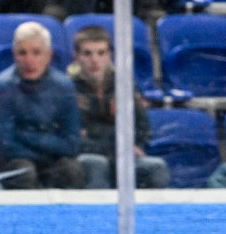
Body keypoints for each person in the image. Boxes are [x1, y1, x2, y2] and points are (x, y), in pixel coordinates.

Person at [0, 22, 86, 189]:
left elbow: (72, 144)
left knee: (71, 169)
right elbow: (2, 145)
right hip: (13, 162)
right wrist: (47, 146)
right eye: (22, 53)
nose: (29, 60)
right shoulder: (1, 87)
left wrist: (23, 135)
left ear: (49, 55)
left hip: (51, 161)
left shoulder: (64, 86)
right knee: (24, 171)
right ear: (14, 55)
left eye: (37, 52)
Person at [70, 25, 168, 190]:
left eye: (101, 53)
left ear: (110, 55)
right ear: (76, 57)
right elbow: (73, 139)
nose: (95, 60)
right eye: (87, 54)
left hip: (122, 156)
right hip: (88, 157)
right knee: (96, 164)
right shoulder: (68, 88)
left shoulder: (125, 84)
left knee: (156, 167)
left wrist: (97, 135)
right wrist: (118, 142)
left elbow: (142, 129)